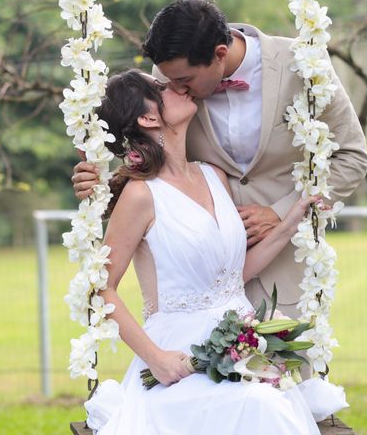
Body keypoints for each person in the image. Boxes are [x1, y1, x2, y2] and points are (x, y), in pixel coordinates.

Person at [83, 69, 347, 434]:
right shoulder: (141, 196)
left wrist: (289, 223)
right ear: (148, 117)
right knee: (259, 408)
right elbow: (100, 287)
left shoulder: (212, 175)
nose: (175, 86)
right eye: (162, 88)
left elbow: (233, 275)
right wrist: (155, 358)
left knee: (266, 404)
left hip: (244, 343)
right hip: (181, 355)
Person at [73, 0, 367, 318]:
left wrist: (281, 213)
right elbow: (158, 154)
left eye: (184, 82)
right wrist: (101, 185)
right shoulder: (172, 77)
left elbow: (352, 156)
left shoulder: (303, 64)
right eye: (168, 82)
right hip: (200, 283)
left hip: (286, 276)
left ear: (220, 55)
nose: (176, 89)